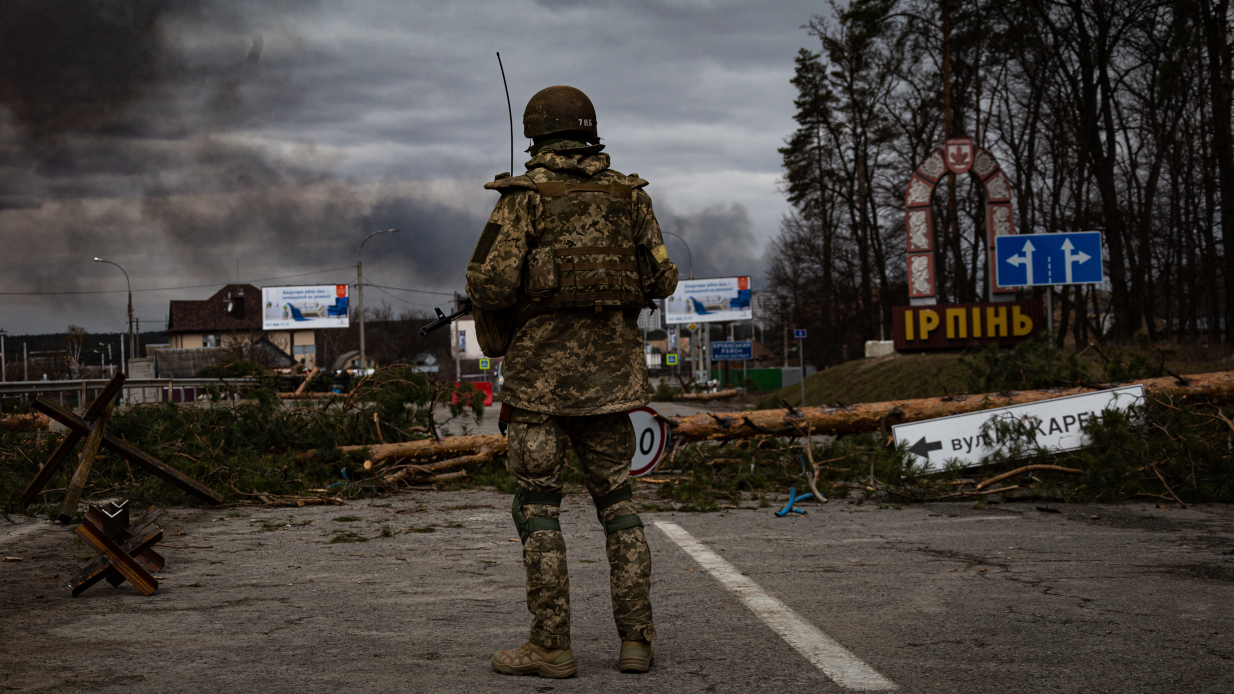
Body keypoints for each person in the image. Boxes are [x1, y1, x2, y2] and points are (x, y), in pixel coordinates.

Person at [465, 85, 678, 679]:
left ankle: (551, 645)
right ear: (590, 131)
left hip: (538, 387)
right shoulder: (630, 198)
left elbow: (489, 284)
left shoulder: (523, 199)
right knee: (619, 506)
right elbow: (661, 278)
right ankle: (637, 641)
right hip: (613, 384)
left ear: (537, 134)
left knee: (538, 510)